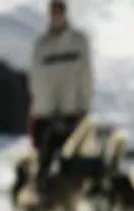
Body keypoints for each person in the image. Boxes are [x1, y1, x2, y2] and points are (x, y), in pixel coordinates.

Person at [27, 0, 93, 179]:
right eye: (53, 10)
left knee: (72, 169)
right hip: (45, 114)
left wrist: (85, 106)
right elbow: (35, 78)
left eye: (60, 10)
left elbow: (86, 76)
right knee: (43, 168)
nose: (57, 15)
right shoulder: (41, 45)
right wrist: (36, 110)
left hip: (72, 112)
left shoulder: (79, 42)